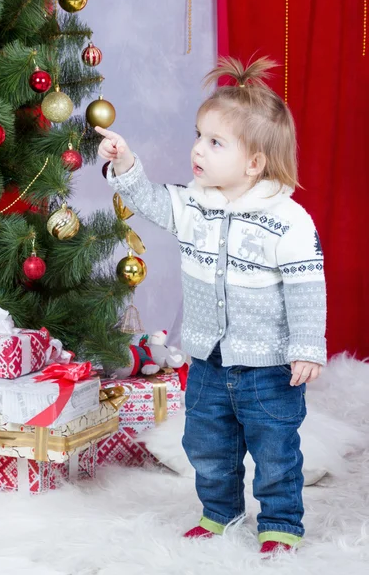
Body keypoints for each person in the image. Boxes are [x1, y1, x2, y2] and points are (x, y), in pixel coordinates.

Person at [96, 57, 327, 557]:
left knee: (275, 451)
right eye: (199, 135)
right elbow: (153, 203)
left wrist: (307, 347)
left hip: (270, 367)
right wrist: (126, 163)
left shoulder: (288, 221)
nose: (197, 149)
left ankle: (281, 523)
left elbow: (307, 287)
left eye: (215, 142)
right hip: (207, 359)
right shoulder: (194, 201)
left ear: (254, 163)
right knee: (206, 446)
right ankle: (220, 511)